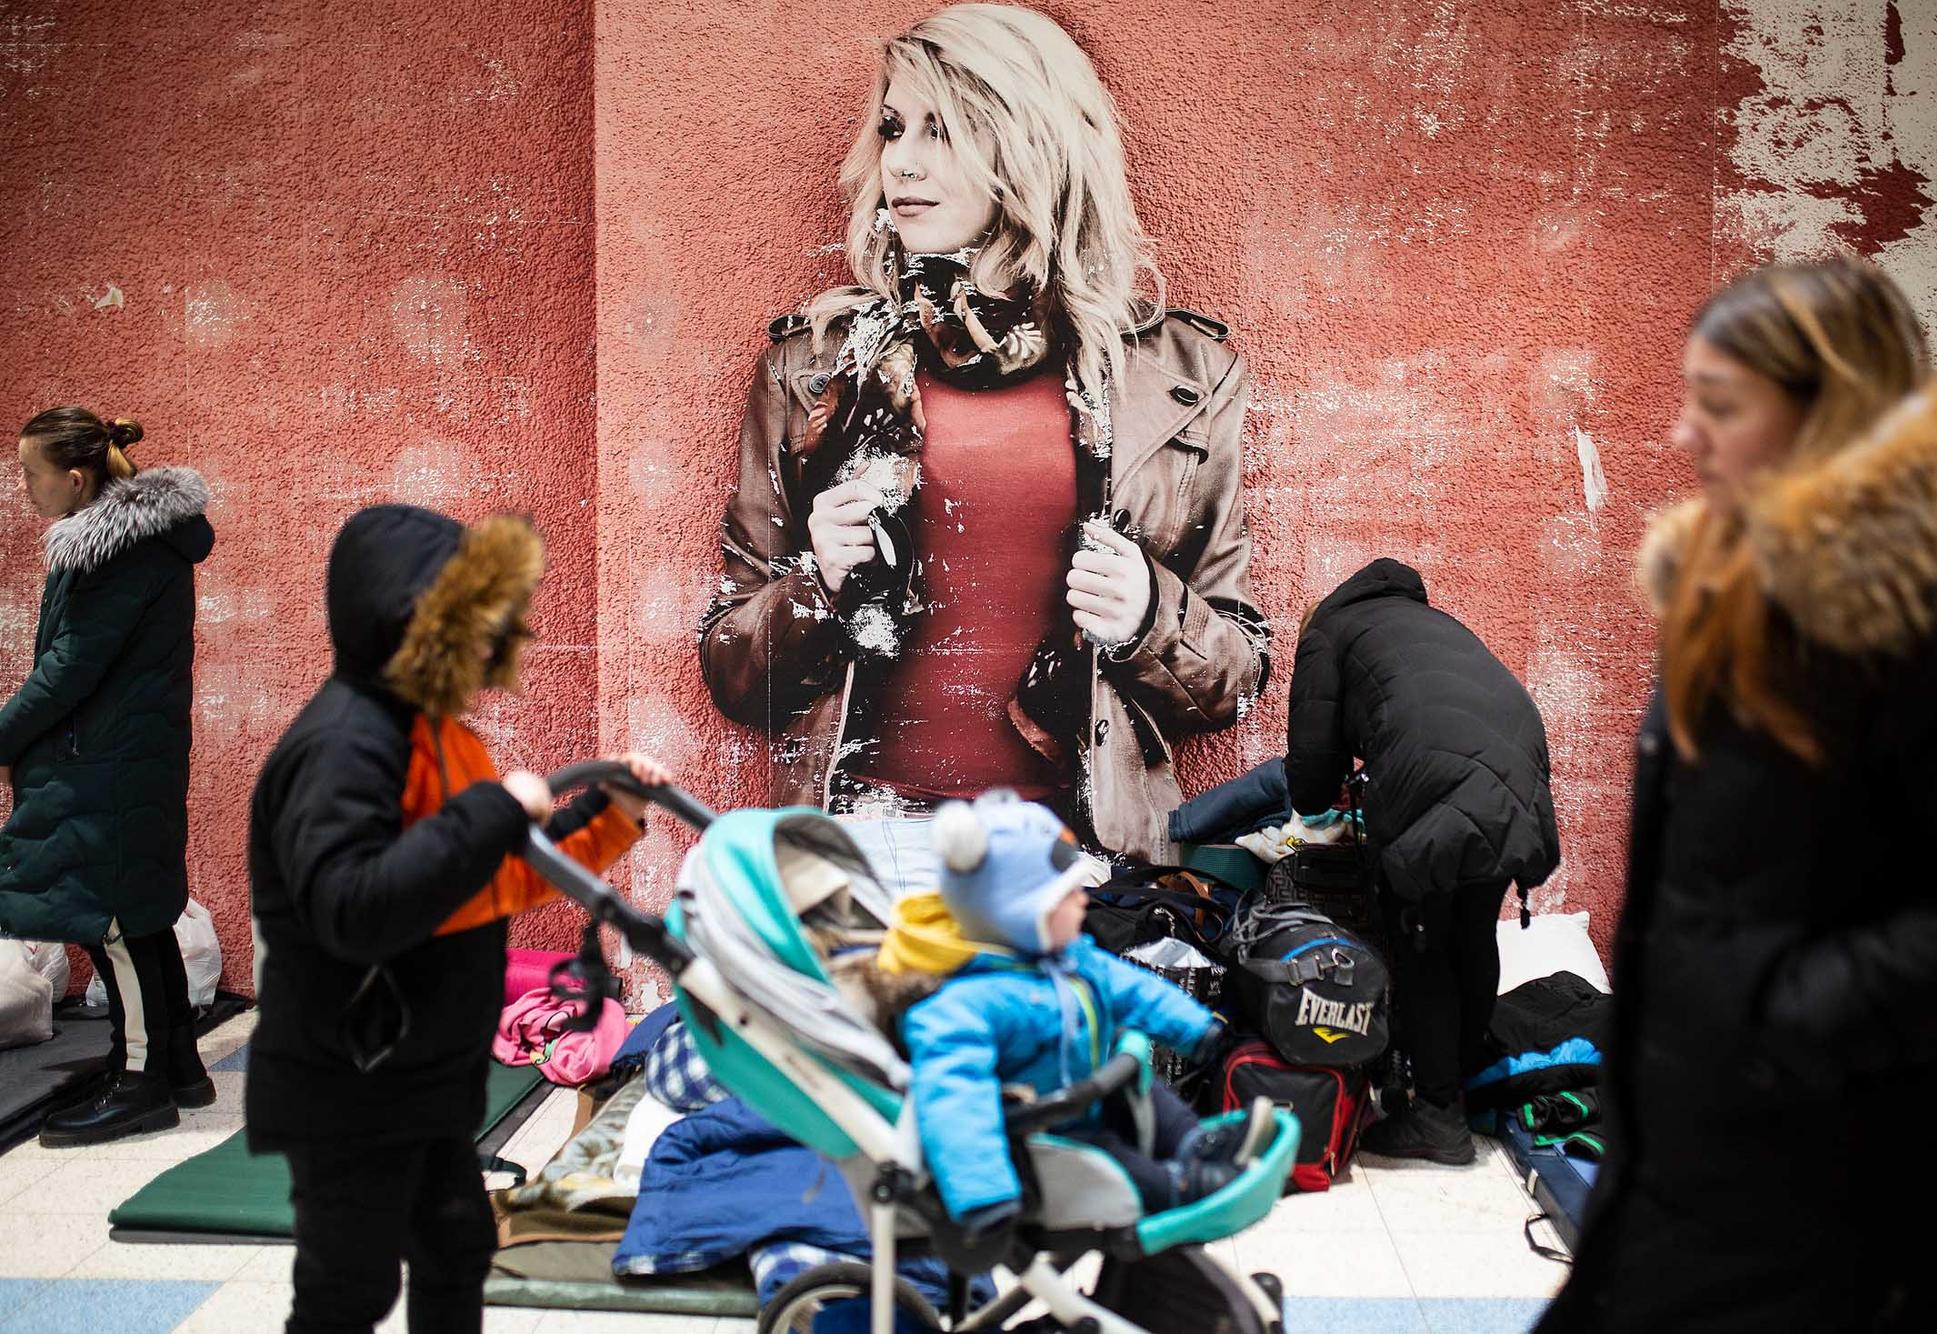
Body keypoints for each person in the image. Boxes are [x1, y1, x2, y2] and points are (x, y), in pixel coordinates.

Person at [1538, 258, 1937, 1331]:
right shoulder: (1733, 587)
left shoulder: (1929, 612)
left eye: (1721, 407)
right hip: (1688, 1152)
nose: (1682, 437)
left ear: (1824, 408)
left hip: (1832, 1179)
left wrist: (1788, 1014)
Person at [698, 3, 1269, 862]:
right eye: (893, 128)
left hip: (1080, 863)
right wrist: (818, 581)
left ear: (1029, 146)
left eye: (944, 130)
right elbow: (736, 673)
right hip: (866, 850)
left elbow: (1236, 674)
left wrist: (1150, 611)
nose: (904, 162)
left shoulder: (1175, 378)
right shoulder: (818, 369)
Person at [245, 503, 670, 1334]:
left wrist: (611, 811)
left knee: (455, 1249)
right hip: (348, 1080)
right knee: (349, 1289)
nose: (489, 644)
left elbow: (500, 879)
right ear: (412, 625)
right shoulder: (343, 746)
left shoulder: (440, 737)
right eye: (469, 626)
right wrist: (489, 810)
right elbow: (352, 908)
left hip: (424, 1074)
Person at [883, 789, 1275, 1237]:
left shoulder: (1068, 959)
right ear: (1023, 913)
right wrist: (983, 1195)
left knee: (1147, 1092)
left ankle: (1194, 1142)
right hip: (1041, 1136)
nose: (1084, 902)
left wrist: (1197, 1032)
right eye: (1068, 895)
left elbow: (1132, 989)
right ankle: (1178, 1186)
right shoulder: (960, 1006)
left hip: (1087, 1095)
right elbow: (954, 1100)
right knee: (1108, 1157)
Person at [1285, 557, 1560, 1164]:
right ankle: (1456, 1089)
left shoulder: (1326, 633)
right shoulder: (1430, 624)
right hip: (1518, 770)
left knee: (1424, 943)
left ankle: (1437, 1118)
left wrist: (1318, 808)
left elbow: (1309, 766)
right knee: (1470, 933)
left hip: (1435, 773)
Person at [0, 409, 215, 1146]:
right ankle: (178, 1065)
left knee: (115, 923)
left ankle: (141, 1083)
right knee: (141, 916)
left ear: (77, 477)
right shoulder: (141, 544)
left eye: (32, 473)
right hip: (123, 758)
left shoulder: (111, 554)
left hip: (102, 764)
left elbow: (65, 672)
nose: (25, 487)